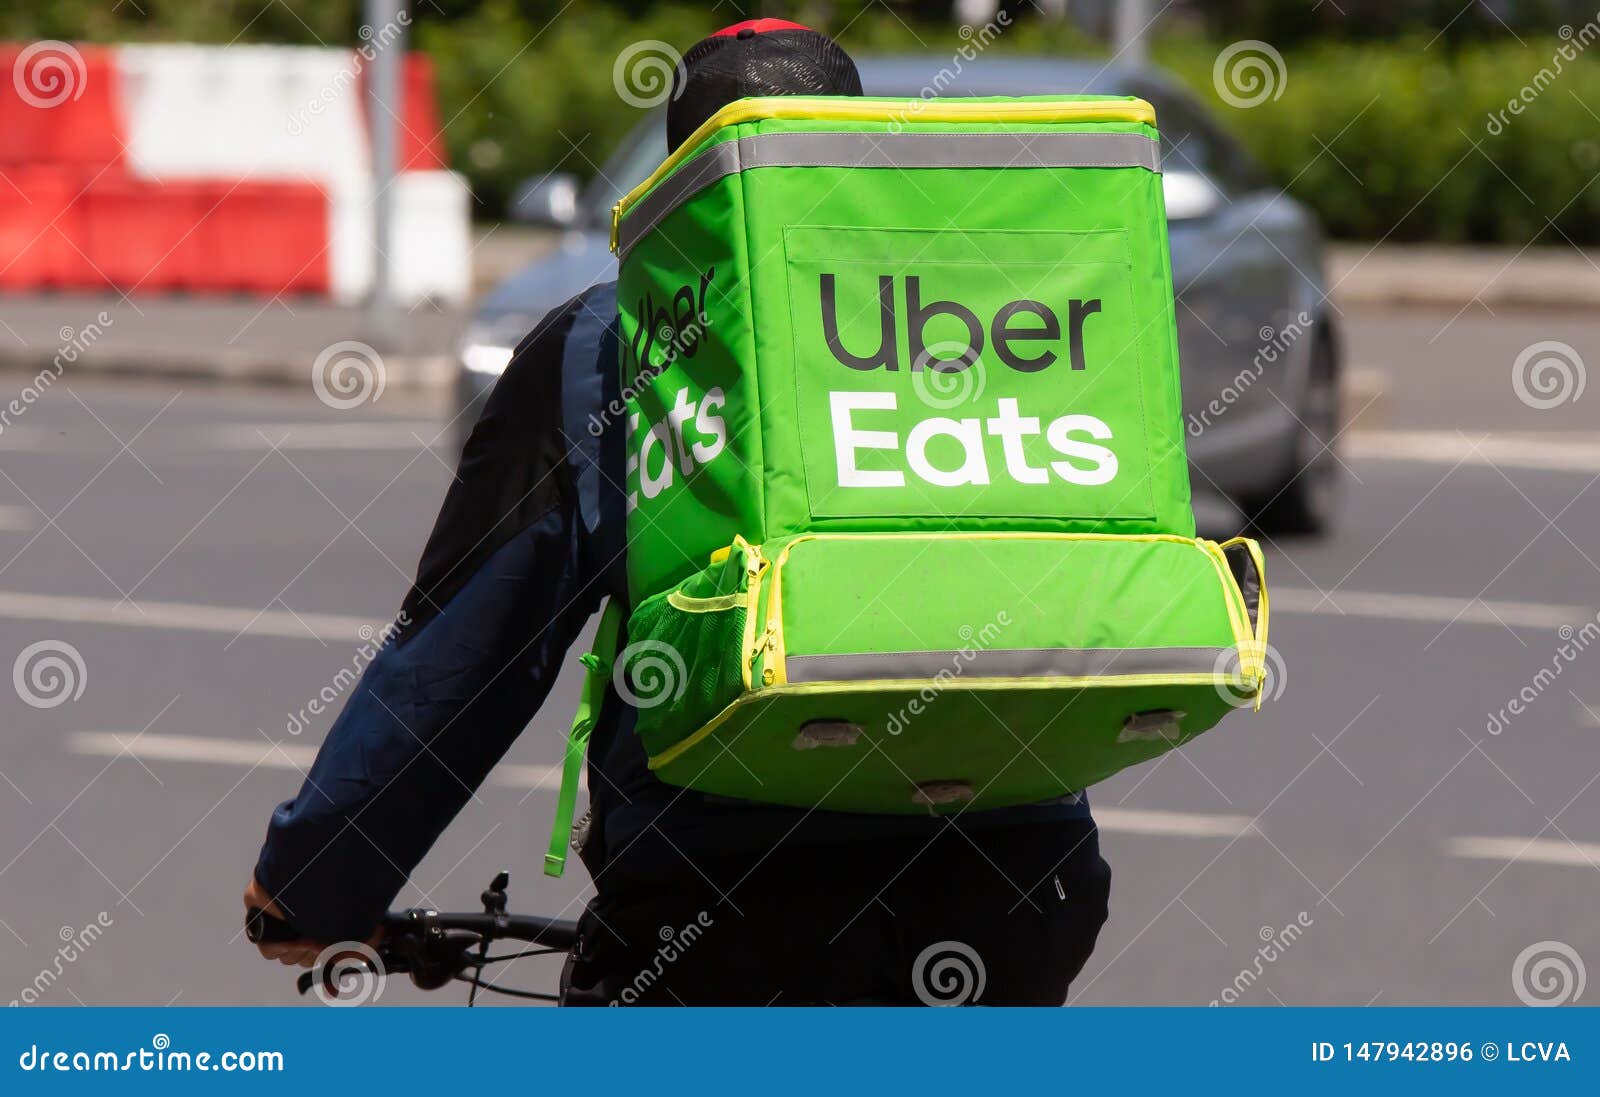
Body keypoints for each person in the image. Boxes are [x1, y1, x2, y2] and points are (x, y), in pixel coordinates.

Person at [244, 18, 1110, 1006]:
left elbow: (462, 659)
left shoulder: (606, 349)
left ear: (678, 177)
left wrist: (316, 882)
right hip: (1024, 873)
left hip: (723, 897)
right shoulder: (983, 316)